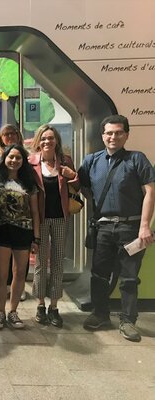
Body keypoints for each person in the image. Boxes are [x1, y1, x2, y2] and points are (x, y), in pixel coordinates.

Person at [78, 115, 154, 342]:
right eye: (109, 133)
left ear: (126, 135)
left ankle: (128, 320)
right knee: (99, 274)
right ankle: (100, 314)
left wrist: (145, 226)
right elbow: (84, 187)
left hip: (131, 228)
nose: (113, 137)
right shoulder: (91, 161)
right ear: (102, 135)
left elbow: (150, 192)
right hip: (103, 228)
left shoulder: (137, 159)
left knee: (129, 278)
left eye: (118, 132)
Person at [28, 125, 79, 327]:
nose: (47, 141)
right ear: (38, 141)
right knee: (41, 262)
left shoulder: (65, 161)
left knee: (58, 262)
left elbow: (77, 187)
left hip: (60, 218)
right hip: (40, 219)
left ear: (56, 140)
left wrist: (72, 175)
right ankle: (40, 305)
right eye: (43, 138)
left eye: (51, 138)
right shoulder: (32, 162)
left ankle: (54, 307)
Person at [0, 145, 40, 329]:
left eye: (18, 158)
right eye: (11, 157)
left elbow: (35, 212)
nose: (14, 161)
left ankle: (13, 311)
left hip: (23, 232)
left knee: (19, 273)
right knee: (1, 275)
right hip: (1, 230)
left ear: (23, 161)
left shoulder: (28, 183)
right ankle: (0, 312)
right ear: (4, 158)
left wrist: (36, 238)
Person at [0, 124, 29, 301]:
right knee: (2, 262)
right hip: (0, 222)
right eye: (5, 134)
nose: (9, 136)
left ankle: (18, 288)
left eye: (12, 133)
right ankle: (5, 288)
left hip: (22, 221)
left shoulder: (26, 156)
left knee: (20, 262)